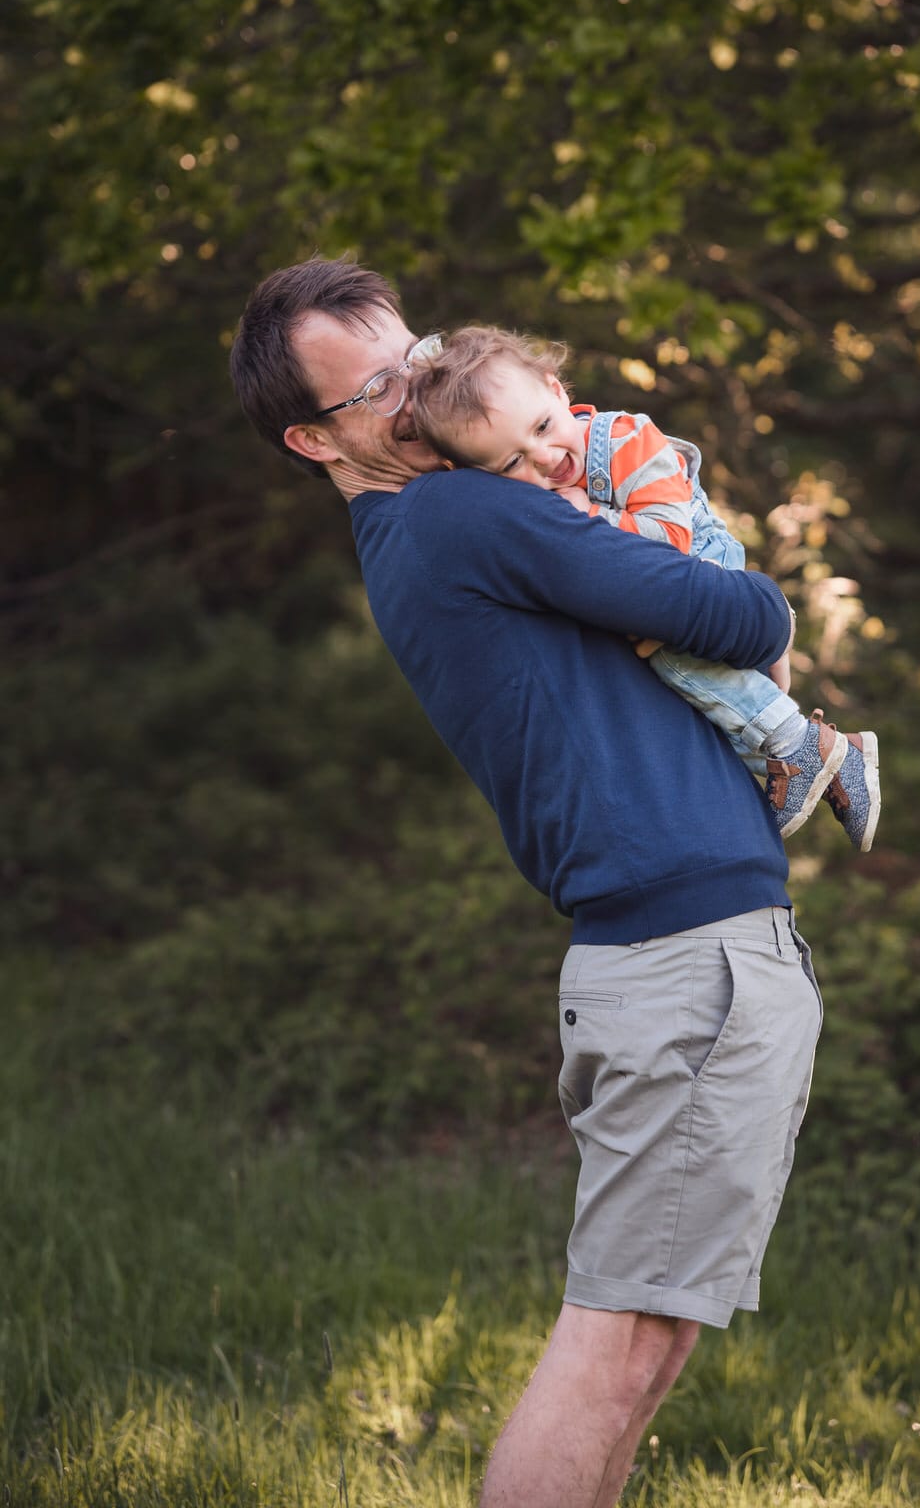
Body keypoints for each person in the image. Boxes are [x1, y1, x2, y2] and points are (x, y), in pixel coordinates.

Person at [230, 256, 825, 1508]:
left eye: (417, 357)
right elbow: (746, 615)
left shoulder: (418, 521)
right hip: (687, 962)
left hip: (673, 957)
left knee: (647, 1344)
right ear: (309, 437)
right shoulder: (461, 512)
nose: (419, 396)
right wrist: (749, 600)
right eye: (377, 391)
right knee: (620, 1347)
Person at [408, 325, 880, 851]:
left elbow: (672, 538)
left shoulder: (626, 438)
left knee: (674, 661)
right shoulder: (546, 487)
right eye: (512, 462)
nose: (542, 456)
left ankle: (801, 747)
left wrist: (591, 518)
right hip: (666, 579)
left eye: (542, 426)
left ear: (556, 388)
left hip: (703, 563)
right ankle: (830, 762)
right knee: (685, 692)